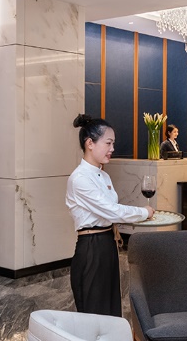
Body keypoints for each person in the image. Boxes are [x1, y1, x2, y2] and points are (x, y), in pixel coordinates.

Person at [65, 114, 154, 315]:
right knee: (94, 314)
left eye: (113, 143)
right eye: (108, 143)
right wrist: (144, 212)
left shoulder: (104, 175)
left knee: (112, 310)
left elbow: (111, 211)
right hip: (91, 248)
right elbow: (112, 211)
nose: (112, 148)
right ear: (90, 143)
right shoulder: (79, 179)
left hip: (108, 245)